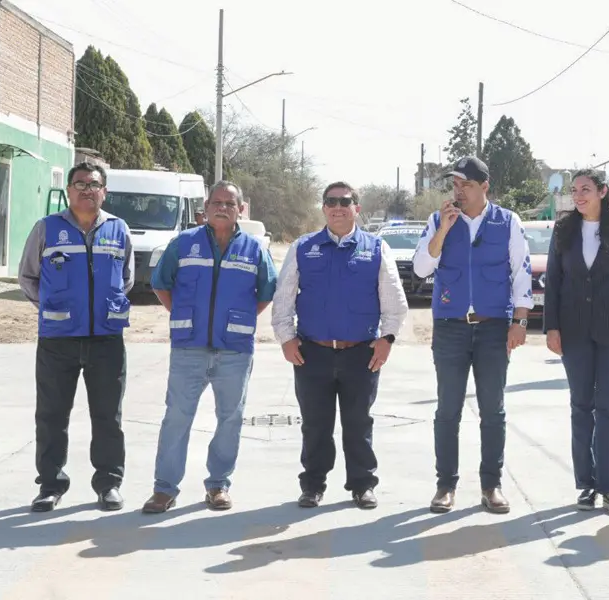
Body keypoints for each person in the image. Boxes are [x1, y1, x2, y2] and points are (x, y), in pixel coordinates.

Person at [140, 182, 277, 514]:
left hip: (234, 351)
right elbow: (160, 283)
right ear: (205, 206)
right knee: (177, 417)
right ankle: (164, 490)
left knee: (230, 418)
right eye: (217, 202)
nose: (223, 207)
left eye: (230, 203)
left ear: (241, 210)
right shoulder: (184, 244)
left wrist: (235, 319)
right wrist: (187, 315)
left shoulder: (255, 249)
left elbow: (266, 292)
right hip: (189, 348)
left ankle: (218, 485)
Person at [272, 182, 410, 509]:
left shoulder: (376, 248)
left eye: (344, 202)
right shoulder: (303, 248)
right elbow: (283, 299)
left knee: (358, 423)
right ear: (323, 208)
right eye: (330, 201)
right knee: (316, 425)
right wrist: (286, 339)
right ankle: (313, 486)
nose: (337, 207)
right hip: (312, 353)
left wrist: (387, 339)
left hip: (360, 354)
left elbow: (395, 303)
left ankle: (362, 484)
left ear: (356, 208)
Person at [412, 156, 533, 514]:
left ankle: (491, 485)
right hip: (450, 329)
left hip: (494, 327)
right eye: (455, 185)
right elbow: (421, 267)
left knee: (492, 411)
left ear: (484, 187)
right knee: (448, 410)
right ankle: (445, 486)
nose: (458, 191)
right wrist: (444, 230)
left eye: (465, 184)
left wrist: (520, 322)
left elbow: (521, 274)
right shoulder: (438, 221)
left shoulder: (508, 222)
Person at [18, 162, 134, 512]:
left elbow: (125, 278)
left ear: (104, 192)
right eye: (79, 183)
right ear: (68, 190)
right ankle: (50, 485)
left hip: (107, 340)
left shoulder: (119, 229)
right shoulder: (46, 229)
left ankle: (108, 483)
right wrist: (57, 308)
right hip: (58, 340)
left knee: (108, 416)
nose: (86, 189)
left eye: (93, 184)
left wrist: (100, 309)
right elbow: (28, 278)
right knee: (52, 415)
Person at [544, 171, 609, 516]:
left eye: (585, 190)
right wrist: (551, 327)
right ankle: (586, 484)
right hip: (573, 331)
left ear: (602, 192)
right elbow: (554, 282)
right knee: (581, 405)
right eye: (575, 191)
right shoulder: (564, 231)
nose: (579, 196)